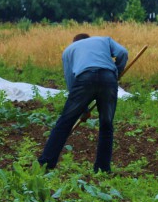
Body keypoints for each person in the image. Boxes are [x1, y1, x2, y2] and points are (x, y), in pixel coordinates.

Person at [38, 33, 129, 173]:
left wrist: (83, 110)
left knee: (65, 123)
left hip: (85, 79)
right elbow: (123, 53)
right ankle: (103, 169)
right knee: (106, 124)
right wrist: (117, 72)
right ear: (89, 39)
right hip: (108, 79)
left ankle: (45, 163)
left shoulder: (69, 50)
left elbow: (71, 80)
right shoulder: (104, 40)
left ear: (74, 42)